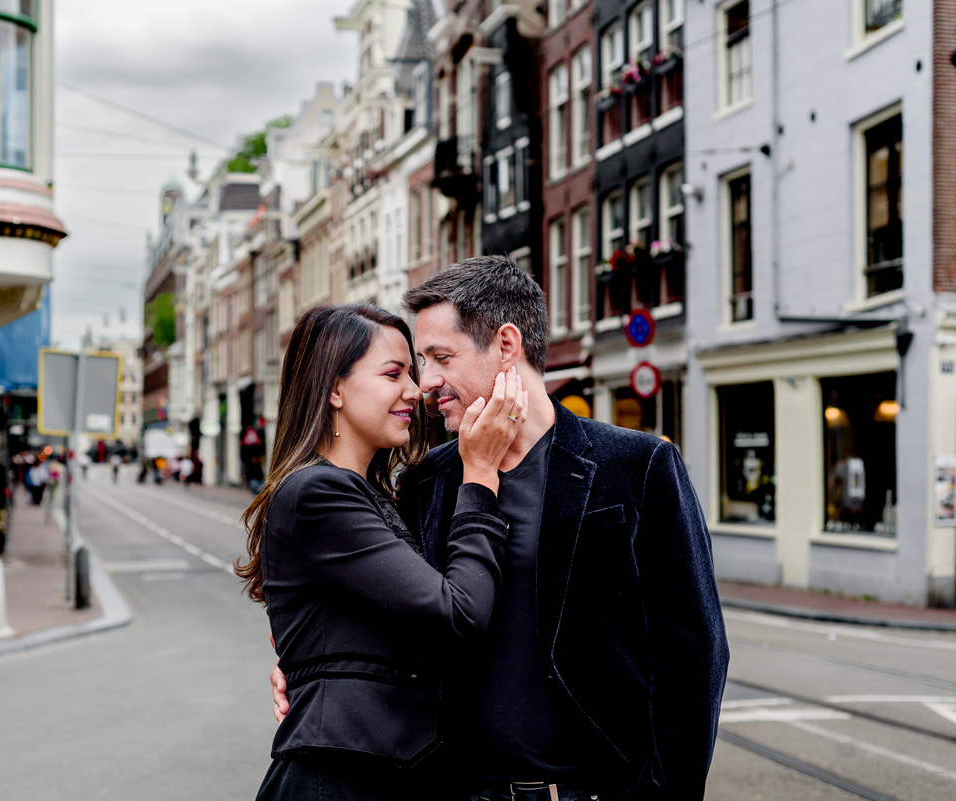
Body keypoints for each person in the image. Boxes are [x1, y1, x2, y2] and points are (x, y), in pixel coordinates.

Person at [273, 257, 730, 801]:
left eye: (441, 357)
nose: (427, 383)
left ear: (507, 346)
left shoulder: (637, 465)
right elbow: (384, 596)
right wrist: (301, 662)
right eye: (418, 363)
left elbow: (694, 654)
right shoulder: (427, 481)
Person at [240, 303, 527, 801]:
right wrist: (480, 476)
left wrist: (313, 668)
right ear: (333, 388)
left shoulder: (372, 494)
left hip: (379, 772)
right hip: (340, 779)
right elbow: (458, 613)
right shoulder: (317, 494)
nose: (415, 391)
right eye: (394, 373)